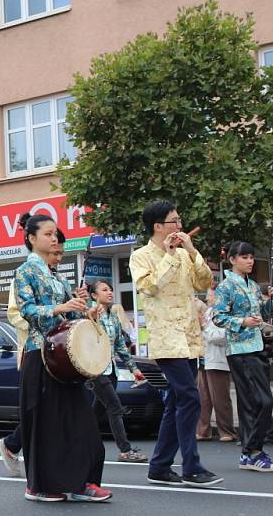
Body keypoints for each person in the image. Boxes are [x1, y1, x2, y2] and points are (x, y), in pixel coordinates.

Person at [13, 215, 110, 502]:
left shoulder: (57, 276)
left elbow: (72, 314)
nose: (54, 239)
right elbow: (27, 311)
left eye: (55, 234)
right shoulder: (24, 272)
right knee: (47, 426)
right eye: (48, 234)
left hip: (65, 357)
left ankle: (84, 482)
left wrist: (87, 312)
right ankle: (39, 485)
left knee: (81, 421)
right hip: (40, 354)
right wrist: (59, 307)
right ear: (31, 238)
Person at [129, 200, 221, 487]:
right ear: (158, 226)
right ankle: (191, 467)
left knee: (177, 401)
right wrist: (169, 255)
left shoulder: (184, 254)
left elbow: (205, 281)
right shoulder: (140, 256)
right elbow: (149, 287)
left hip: (189, 336)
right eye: (174, 221)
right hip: (167, 339)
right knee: (190, 397)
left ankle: (159, 466)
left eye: (180, 221)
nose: (180, 226)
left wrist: (191, 251)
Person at [0, 231, 65, 477]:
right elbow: (16, 313)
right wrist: (47, 323)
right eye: (55, 252)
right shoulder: (25, 274)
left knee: (48, 410)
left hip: (59, 353)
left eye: (61, 253)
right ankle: (15, 446)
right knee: (36, 409)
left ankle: (17, 445)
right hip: (34, 349)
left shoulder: (56, 277)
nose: (58, 257)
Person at [212, 241, 273, 472]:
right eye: (245, 257)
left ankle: (249, 453)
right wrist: (241, 322)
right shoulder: (226, 286)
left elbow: (261, 314)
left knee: (259, 402)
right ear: (232, 259)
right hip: (239, 350)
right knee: (257, 402)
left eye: (251, 257)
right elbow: (218, 317)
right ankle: (253, 451)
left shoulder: (254, 286)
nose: (250, 261)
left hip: (257, 347)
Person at [87, 280, 148, 463]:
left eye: (111, 290)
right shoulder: (88, 316)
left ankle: (73, 438)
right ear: (94, 296)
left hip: (110, 368)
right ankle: (126, 450)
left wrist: (134, 369)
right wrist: (90, 317)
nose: (110, 292)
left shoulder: (113, 315)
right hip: (95, 369)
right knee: (115, 408)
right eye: (104, 290)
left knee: (96, 411)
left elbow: (120, 346)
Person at [196, 287, 237, 442]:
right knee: (203, 398)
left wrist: (204, 327)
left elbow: (221, 337)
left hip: (217, 361)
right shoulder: (207, 313)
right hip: (203, 360)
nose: (208, 298)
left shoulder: (226, 314)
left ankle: (227, 431)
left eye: (211, 295)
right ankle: (203, 431)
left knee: (220, 398)